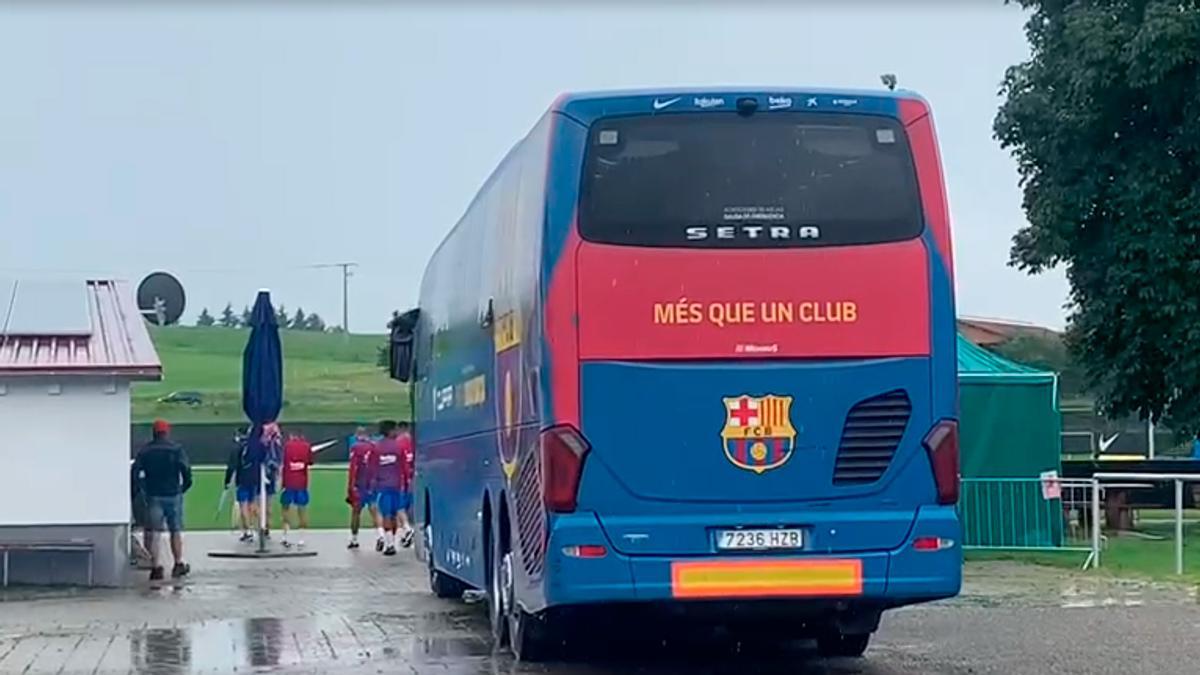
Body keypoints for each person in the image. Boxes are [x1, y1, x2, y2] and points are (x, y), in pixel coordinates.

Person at [132, 419, 193, 580]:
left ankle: (156, 566)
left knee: (154, 532)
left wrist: (139, 490)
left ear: (154, 432)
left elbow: (135, 472)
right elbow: (186, 471)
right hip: (173, 494)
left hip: (153, 495)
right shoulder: (176, 449)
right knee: (175, 530)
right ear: (167, 432)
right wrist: (184, 487)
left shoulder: (145, 451)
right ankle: (178, 563)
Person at [371, 420, 415, 556]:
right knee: (395, 514)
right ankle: (395, 539)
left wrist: (371, 486)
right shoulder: (398, 447)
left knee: (386, 515)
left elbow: (372, 468)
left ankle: (390, 545)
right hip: (397, 486)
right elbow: (405, 468)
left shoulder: (376, 448)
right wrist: (407, 483)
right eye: (395, 430)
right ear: (390, 431)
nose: (396, 432)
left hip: (383, 486)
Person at [346, 426, 384, 550]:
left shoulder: (355, 448)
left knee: (356, 512)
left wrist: (351, 487)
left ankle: (354, 539)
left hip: (359, 484)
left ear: (358, 435)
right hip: (372, 483)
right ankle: (380, 535)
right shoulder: (374, 447)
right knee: (374, 509)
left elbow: (353, 468)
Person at [279, 431, 314, 549]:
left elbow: (283, 464)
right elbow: (310, 462)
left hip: (288, 482)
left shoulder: (287, 446)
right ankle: (301, 538)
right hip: (301, 483)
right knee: (302, 510)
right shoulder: (306, 446)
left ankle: (285, 536)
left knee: (285, 508)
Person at [224, 428, 258, 542]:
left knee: (243, 505)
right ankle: (255, 528)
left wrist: (227, 481)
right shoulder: (253, 447)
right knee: (252, 503)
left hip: (242, 479)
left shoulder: (237, 448)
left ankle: (248, 531)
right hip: (253, 479)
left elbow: (232, 466)